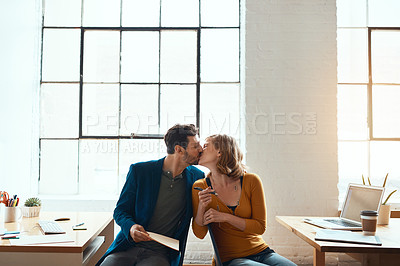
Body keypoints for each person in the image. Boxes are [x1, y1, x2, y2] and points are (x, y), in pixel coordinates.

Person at [97, 124, 205, 266]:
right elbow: (120, 211)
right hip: (126, 248)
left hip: (160, 254)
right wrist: (131, 227)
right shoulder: (140, 171)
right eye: (195, 146)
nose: (201, 149)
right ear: (179, 149)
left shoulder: (197, 178)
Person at [192, 134, 296, 266]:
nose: (201, 150)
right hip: (230, 259)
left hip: (262, 252)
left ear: (220, 152)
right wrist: (201, 206)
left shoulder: (251, 181)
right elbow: (199, 234)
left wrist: (225, 217)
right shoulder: (200, 186)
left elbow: (259, 227)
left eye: (206, 146)